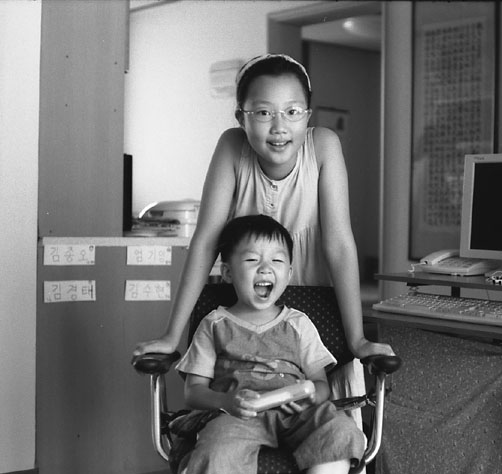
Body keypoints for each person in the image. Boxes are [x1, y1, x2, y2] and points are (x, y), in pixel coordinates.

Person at [133, 53, 392, 360]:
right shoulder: (231, 146)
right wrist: (171, 336)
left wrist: (358, 339)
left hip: (313, 312)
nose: (279, 127)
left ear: (308, 116)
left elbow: (339, 244)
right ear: (241, 118)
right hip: (244, 315)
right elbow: (206, 241)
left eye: (292, 112)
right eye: (263, 113)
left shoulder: (324, 146)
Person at [175, 214, 365, 473]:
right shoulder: (214, 324)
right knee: (215, 449)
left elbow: (320, 384)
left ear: (288, 274)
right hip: (235, 416)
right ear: (228, 272)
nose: (265, 268)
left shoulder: (299, 323)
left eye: (276, 260)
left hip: (296, 414)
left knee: (340, 429)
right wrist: (226, 401)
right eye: (252, 259)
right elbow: (193, 392)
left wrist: (311, 395)